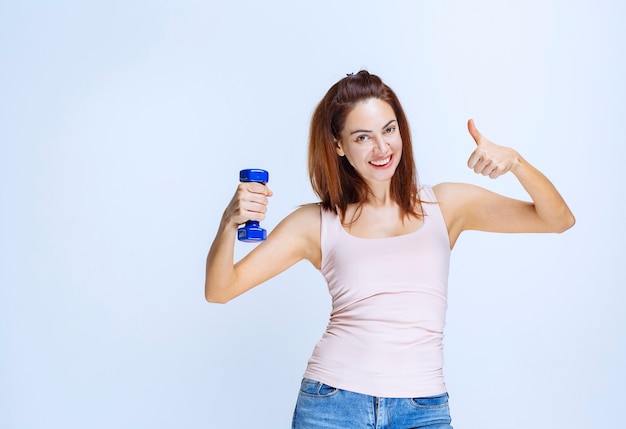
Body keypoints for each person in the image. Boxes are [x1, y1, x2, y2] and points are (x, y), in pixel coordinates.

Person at [204, 70, 575, 429]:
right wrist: (228, 223)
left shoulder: (445, 205)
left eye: (389, 129)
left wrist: (517, 163)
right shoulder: (316, 223)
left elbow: (557, 220)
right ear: (338, 145)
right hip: (333, 405)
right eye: (363, 137)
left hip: (423, 407)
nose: (382, 148)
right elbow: (220, 290)